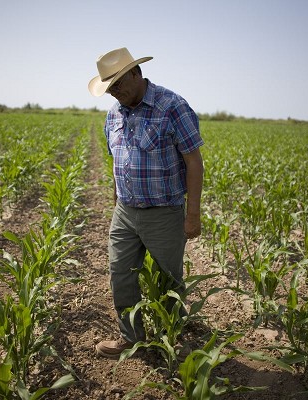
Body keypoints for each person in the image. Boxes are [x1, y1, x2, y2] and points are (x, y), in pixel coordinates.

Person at [88, 47, 204, 359]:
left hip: (164, 212)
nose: (116, 92)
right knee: (120, 273)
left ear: (136, 74)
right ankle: (131, 337)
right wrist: (116, 201)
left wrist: (192, 214)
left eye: (119, 84)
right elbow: (118, 161)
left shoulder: (172, 106)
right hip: (125, 211)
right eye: (110, 88)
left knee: (168, 279)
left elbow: (194, 162)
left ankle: (171, 339)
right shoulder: (113, 114)